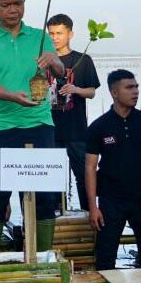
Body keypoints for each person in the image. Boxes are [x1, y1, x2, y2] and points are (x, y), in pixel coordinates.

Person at [0, 0, 65, 254]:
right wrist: (14, 96)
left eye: (18, 3)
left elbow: (60, 71)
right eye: (6, 5)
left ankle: (42, 258)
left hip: (39, 124)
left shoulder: (40, 37)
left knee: (43, 197)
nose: (13, 10)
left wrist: (55, 60)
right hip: (0, 126)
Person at [85, 70, 141, 270]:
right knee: (105, 259)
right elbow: (90, 167)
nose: (136, 92)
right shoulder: (99, 126)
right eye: (129, 87)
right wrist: (93, 207)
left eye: (136, 87)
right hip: (110, 201)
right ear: (114, 92)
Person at [46, 14, 100, 211]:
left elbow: (92, 92)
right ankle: (57, 215)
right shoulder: (44, 61)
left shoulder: (82, 60)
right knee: (53, 177)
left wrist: (75, 89)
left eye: (59, 33)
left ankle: (89, 212)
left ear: (70, 34)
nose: (55, 37)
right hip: (50, 129)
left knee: (83, 174)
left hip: (76, 129)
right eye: (51, 33)